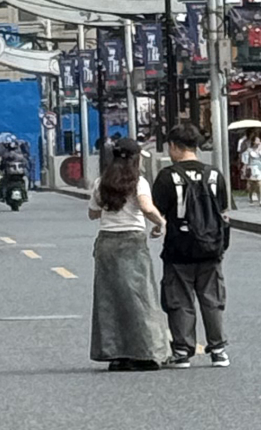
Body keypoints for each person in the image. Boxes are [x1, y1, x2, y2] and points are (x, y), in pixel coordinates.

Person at [151, 122, 230, 368]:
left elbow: (158, 212)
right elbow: (224, 211)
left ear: (174, 146)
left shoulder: (167, 176)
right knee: (212, 299)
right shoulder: (215, 174)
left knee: (179, 300)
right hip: (211, 248)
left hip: (179, 248)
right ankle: (218, 350)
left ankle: (183, 351)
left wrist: (158, 227)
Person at [87, 137, 168, 372]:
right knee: (140, 297)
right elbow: (145, 206)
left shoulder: (101, 182)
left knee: (109, 298)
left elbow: (93, 213)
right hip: (132, 241)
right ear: (135, 158)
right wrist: (160, 222)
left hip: (106, 244)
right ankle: (145, 352)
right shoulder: (138, 182)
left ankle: (116, 354)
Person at [242, 132, 261, 207]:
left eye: (259, 140)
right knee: (252, 185)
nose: (258, 142)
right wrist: (245, 168)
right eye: (256, 140)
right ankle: (251, 196)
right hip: (252, 167)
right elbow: (246, 161)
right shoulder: (249, 150)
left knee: (260, 184)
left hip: (259, 168)